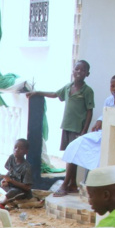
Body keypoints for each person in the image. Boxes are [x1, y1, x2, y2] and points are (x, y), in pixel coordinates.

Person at [62, 73, 115, 191]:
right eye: (112, 86)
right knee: (77, 144)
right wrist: (99, 121)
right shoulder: (109, 100)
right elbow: (104, 115)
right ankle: (69, 183)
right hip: (106, 134)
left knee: (101, 154)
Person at [27, 60, 95, 196]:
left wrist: (84, 130)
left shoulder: (87, 91)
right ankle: (73, 185)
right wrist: (38, 92)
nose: (79, 72)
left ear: (87, 74)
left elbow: (89, 111)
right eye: (77, 69)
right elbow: (55, 94)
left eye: (82, 70)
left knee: (71, 156)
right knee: (71, 156)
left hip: (77, 128)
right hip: (67, 126)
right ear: (73, 71)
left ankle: (65, 185)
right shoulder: (68, 87)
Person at [0, 139, 33, 207]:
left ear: (26, 152)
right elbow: (10, 171)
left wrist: (10, 180)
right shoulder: (12, 157)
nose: (17, 150)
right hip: (10, 185)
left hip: (21, 191)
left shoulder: (27, 167)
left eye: (21, 149)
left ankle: (1, 204)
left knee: (13, 191)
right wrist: (4, 180)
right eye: (15, 147)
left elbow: (27, 187)